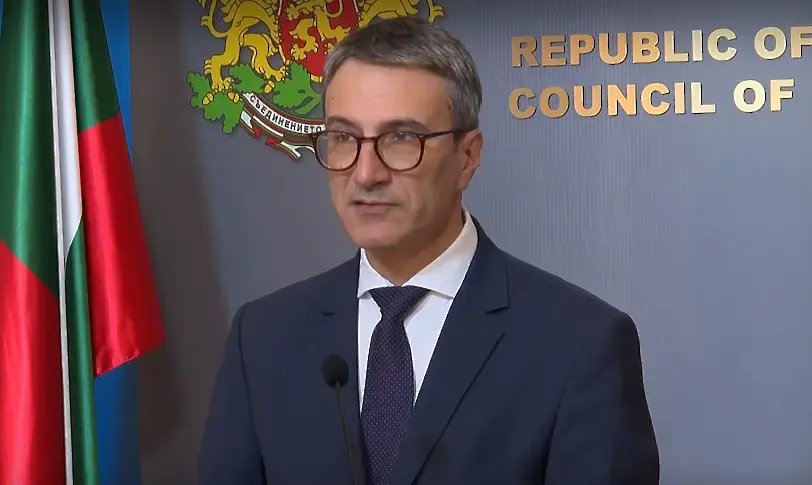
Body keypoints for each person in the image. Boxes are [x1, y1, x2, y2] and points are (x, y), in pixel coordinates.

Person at [198, 16, 659, 485]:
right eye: (343, 138)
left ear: (467, 156)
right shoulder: (263, 337)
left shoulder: (579, 343)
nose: (366, 174)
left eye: (401, 138)